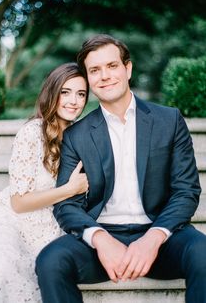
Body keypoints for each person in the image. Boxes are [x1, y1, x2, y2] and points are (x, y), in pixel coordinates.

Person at [36, 34, 206, 303]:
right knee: (50, 261)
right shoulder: (77, 135)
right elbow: (66, 205)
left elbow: (186, 191)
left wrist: (153, 238)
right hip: (102, 239)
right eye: (95, 70)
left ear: (128, 69)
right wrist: (100, 239)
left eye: (112, 66)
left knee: (203, 254)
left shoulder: (169, 120)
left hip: (160, 236)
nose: (104, 76)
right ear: (89, 79)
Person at [0, 62, 89, 303]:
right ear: (52, 93)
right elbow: (18, 203)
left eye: (81, 94)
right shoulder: (32, 132)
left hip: (51, 226)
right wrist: (69, 189)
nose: (74, 101)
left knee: (48, 268)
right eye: (65, 92)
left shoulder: (82, 135)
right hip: (13, 219)